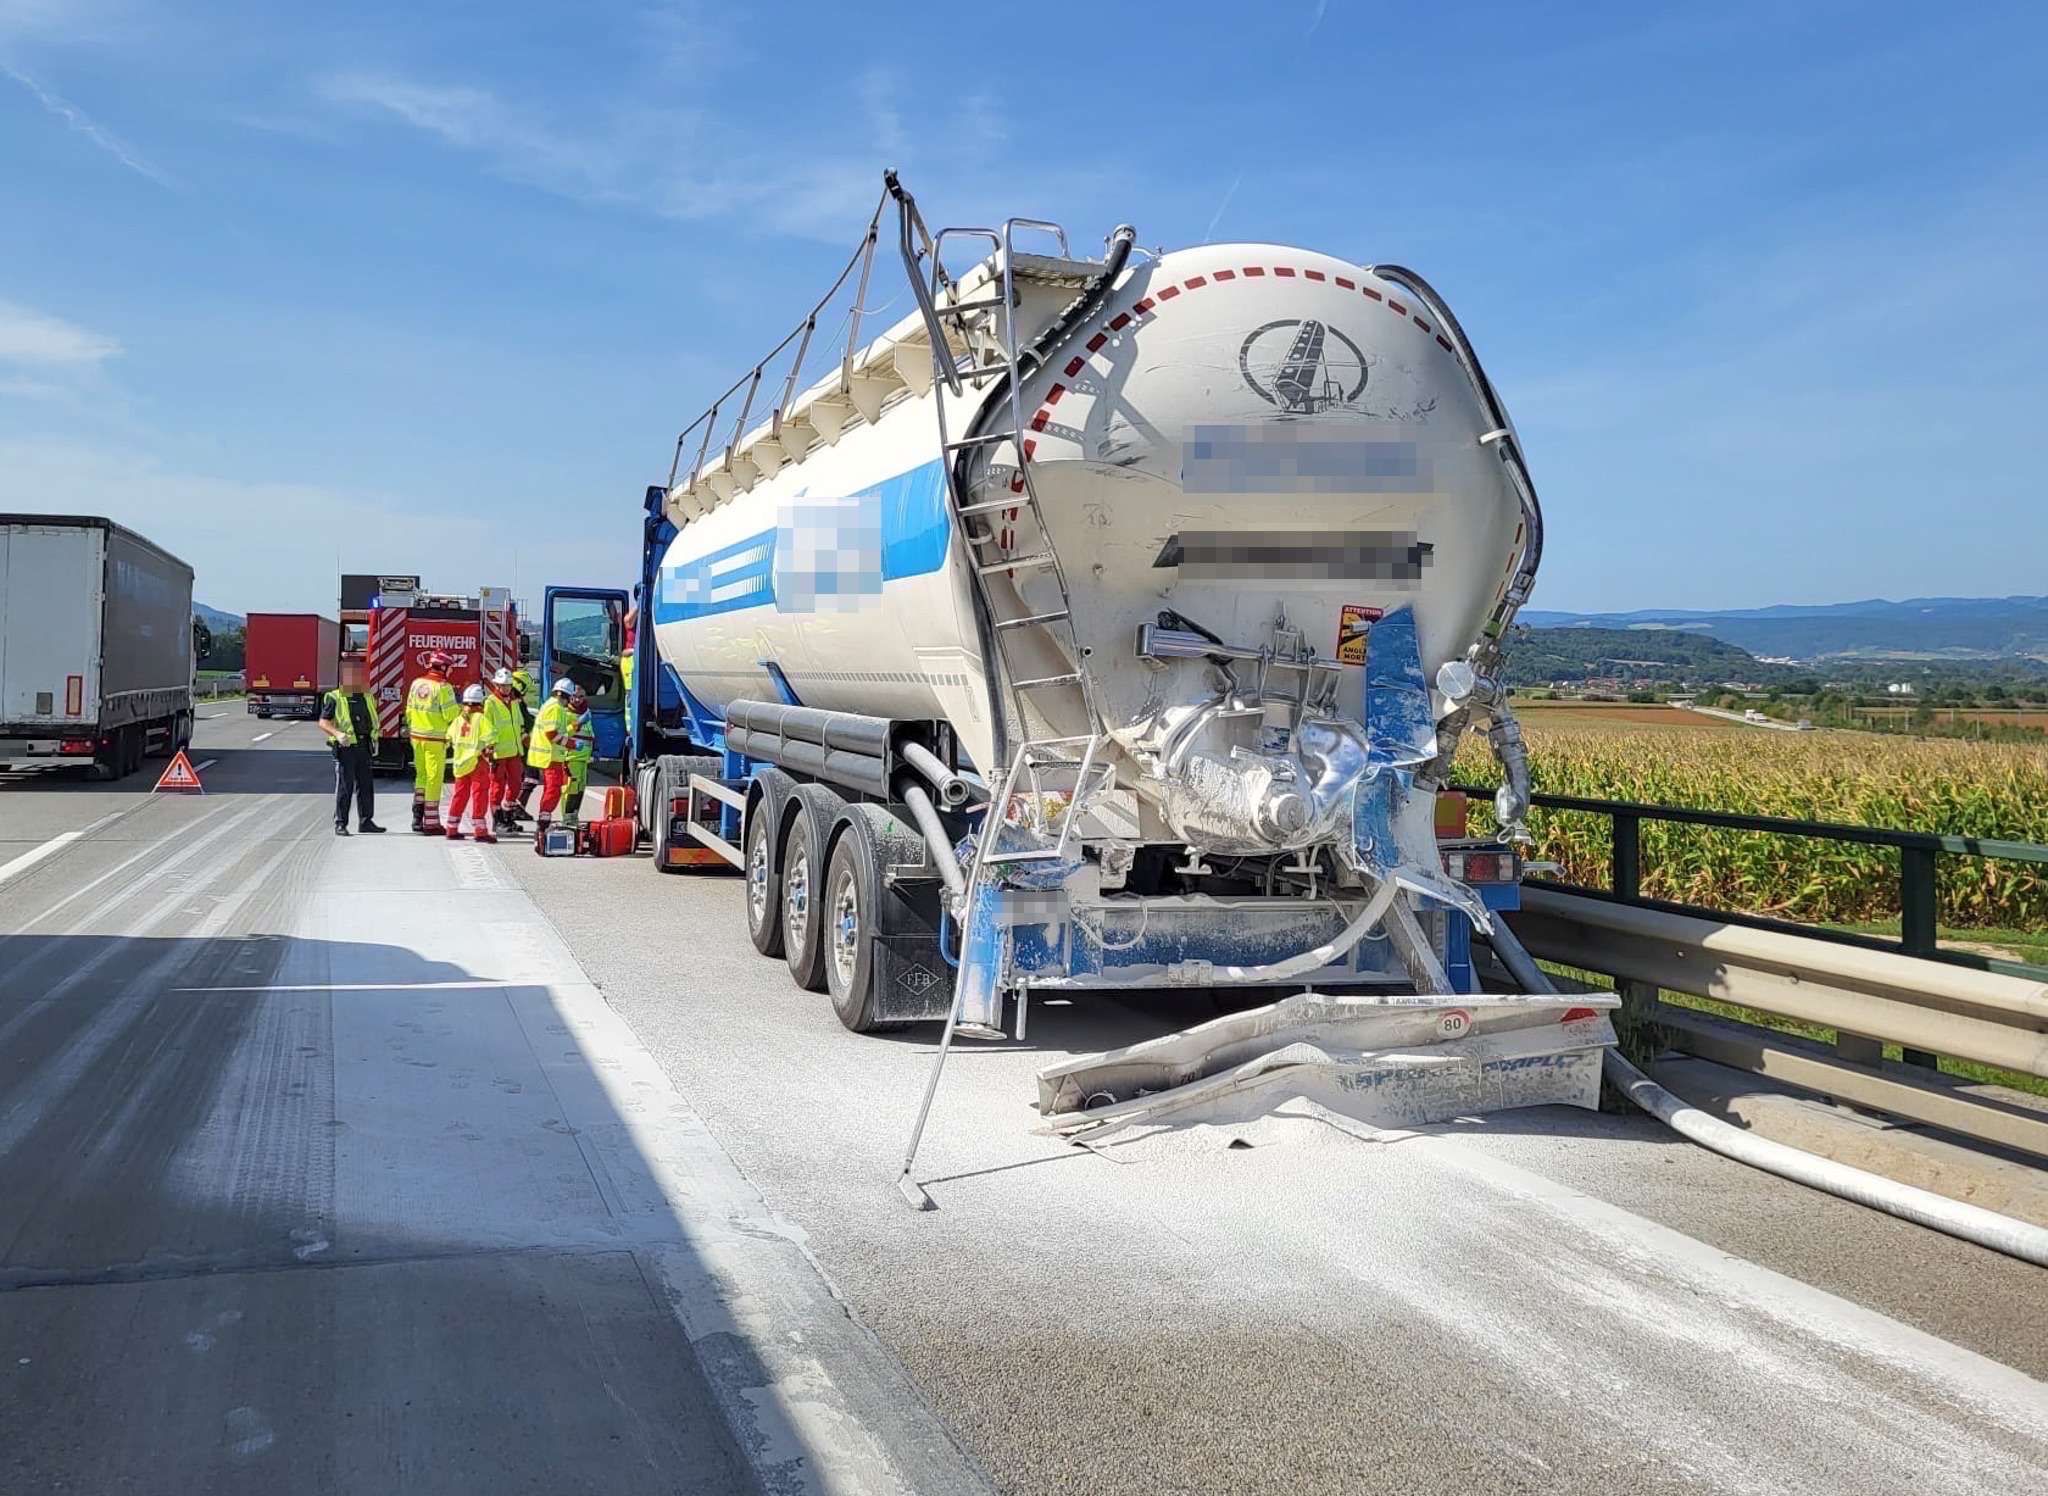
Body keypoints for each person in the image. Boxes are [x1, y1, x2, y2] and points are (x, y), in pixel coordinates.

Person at [318, 658, 387, 837]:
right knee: (345, 787)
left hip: (364, 746)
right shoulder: (335, 697)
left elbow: (371, 719)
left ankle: (366, 821)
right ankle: (341, 823)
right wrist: (338, 734)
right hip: (346, 748)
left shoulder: (366, 695)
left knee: (366, 785)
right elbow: (323, 722)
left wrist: (374, 739)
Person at [405, 650, 460, 833]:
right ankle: (431, 822)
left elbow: (409, 711)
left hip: (416, 737)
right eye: (450, 667)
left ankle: (416, 818)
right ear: (444, 667)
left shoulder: (416, 683)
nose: (451, 671)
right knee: (434, 779)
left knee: (420, 776)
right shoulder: (443, 687)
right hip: (435, 739)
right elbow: (450, 715)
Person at [525, 676, 577, 853]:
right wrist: (570, 744)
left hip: (552, 756)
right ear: (567, 696)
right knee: (552, 790)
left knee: (552, 789)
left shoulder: (552, 706)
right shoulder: (555, 708)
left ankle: (544, 822)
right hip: (549, 757)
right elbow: (552, 734)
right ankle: (543, 824)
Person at [443, 684, 497, 842]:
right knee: (479, 795)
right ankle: (480, 831)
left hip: (460, 763)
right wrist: (491, 755)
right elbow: (491, 739)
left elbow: (448, 738)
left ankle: (451, 828)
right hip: (477, 762)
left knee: (459, 796)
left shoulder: (458, 720)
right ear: (480, 702)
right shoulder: (481, 719)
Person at [484, 668, 526, 833]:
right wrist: (489, 748)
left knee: (516, 785)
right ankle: (497, 819)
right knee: (497, 787)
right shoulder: (490, 703)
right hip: (499, 752)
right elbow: (486, 727)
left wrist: (525, 741)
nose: (507, 688)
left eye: (508, 685)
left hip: (514, 751)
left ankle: (508, 816)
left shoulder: (514, 702)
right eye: (503, 685)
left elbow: (519, 724)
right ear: (496, 685)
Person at [559, 686, 594, 828]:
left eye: (581, 696)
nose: (578, 699)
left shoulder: (586, 712)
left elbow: (589, 735)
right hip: (571, 757)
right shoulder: (564, 713)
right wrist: (578, 723)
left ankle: (574, 817)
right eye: (575, 696)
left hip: (583, 758)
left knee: (580, 790)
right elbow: (562, 734)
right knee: (570, 790)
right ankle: (566, 818)